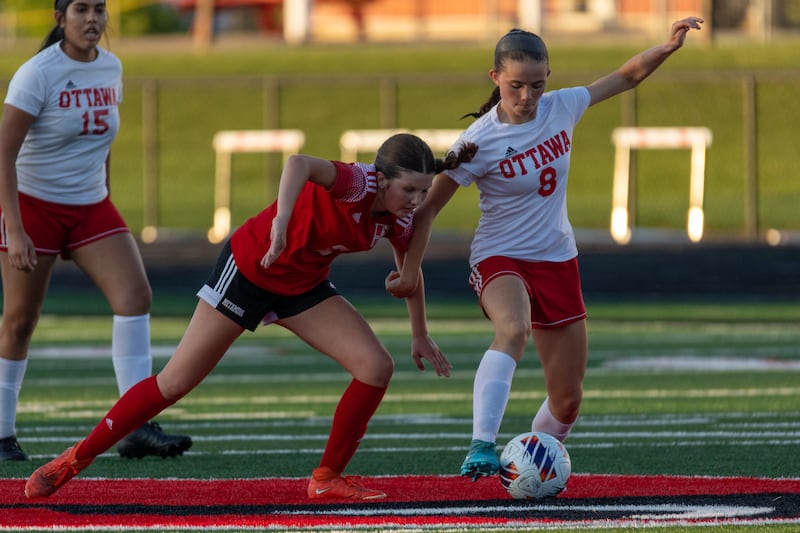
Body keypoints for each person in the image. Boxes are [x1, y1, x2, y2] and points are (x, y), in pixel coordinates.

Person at [24, 132, 478, 500]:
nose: (417, 200)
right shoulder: (357, 182)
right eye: (409, 189)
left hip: (302, 284)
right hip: (249, 270)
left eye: (424, 190)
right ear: (381, 180)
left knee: (376, 367)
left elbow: (409, 275)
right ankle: (75, 458)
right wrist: (281, 221)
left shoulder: (402, 219)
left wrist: (420, 334)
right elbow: (299, 162)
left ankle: (326, 479)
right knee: (175, 383)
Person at [386, 18, 704, 481]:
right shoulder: (479, 141)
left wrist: (669, 46)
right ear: (495, 79)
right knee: (513, 328)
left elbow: (626, 75)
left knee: (568, 399)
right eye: (516, 86)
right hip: (500, 257)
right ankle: (481, 444)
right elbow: (428, 210)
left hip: (557, 258)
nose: (527, 97)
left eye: (537, 85)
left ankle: (529, 470)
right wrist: (411, 270)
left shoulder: (563, 106)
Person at [0, 0, 192, 462]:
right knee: (21, 319)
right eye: (81, 9)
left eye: (100, 10)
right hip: (33, 205)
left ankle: (134, 424)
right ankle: (2, 433)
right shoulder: (37, 73)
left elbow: (101, 138)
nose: (92, 19)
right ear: (59, 18)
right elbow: (3, 154)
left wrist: (104, 192)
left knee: (135, 296)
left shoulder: (111, 66)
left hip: (90, 206)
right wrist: (16, 230)